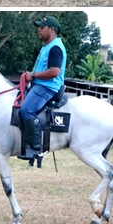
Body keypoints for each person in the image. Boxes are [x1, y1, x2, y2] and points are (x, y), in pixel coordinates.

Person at [18, 15, 67, 165]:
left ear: (51, 30)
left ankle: (35, 149)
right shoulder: (47, 46)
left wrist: (32, 75)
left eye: (42, 27)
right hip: (40, 85)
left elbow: (54, 72)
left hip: (48, 87)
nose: (38, 30)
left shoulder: (56, 48)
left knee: (26, 110)